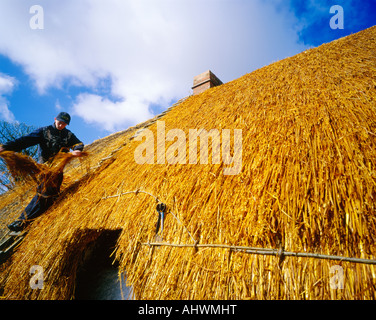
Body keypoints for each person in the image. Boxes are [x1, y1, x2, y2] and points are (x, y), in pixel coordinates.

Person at [0, 112, 84, 232]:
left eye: (64, 124)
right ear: (55, 119)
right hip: (44, 169)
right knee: (44, 193)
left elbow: (79, 143)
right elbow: (24, 141)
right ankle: (22, 221)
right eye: (60, 122)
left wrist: (77, 150)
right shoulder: (44, 131)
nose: (61, 125)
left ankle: (27, 220)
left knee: (52, 194)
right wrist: (6, 147)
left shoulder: (68, 135)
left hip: (58, 169)